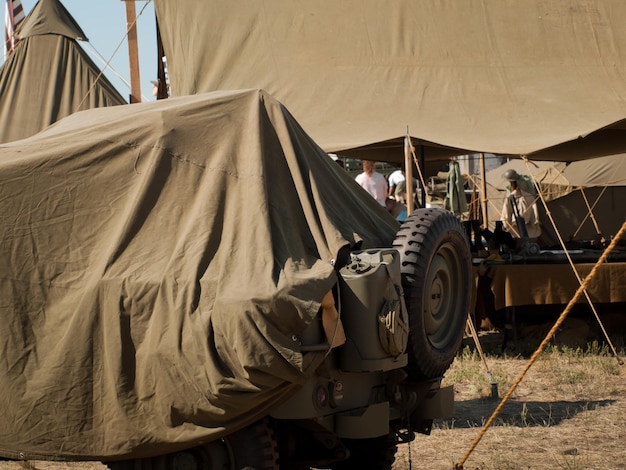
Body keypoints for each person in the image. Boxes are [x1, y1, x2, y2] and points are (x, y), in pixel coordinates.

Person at [500, 169, 541, 240]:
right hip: (521, 226)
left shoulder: (521, 196)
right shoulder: (527, 195)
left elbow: (506, 214)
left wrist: (505, 224)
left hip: (520, 225)